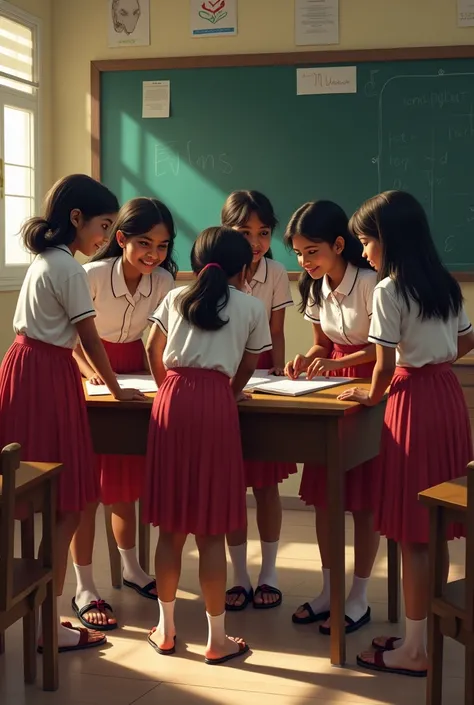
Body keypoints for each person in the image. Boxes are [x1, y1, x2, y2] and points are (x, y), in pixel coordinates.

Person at [0, 174, 145, 653]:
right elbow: (88, 337)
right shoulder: (67, 268)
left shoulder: (48, 261)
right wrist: (117, 388)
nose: (105, 238)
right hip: (43, 378)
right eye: (103, 226)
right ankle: (48, 621)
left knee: (47, 499)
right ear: (76, 219)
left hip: (31, 369)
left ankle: (48, 613)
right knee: (66, 503)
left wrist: (96, 378)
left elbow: (67, 339)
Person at [338, 190, 474, 677]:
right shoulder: (445, 283)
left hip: (412, 401)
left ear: (389, 240)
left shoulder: (388, 290)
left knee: (414, 534)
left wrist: (370, 397)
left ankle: (415, 652)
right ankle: (422, 636)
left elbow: (386, 362)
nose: (364, 252)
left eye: (366, 242)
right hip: (446, 397)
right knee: (432, 528)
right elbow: (465, 338)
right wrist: (436, 359)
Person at [144, 226, 272, 664]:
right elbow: (251, 363)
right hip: (217, 403)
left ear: (196, 265)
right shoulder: (252, 306)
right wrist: (229, 393)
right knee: (211, 528)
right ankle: (217, 640)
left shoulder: (175, 297)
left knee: (171, 528)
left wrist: (168, 389)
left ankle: (165, 630)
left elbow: (152, 348)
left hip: (172, 401)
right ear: (245, 268)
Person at [70, 197, 177, 630]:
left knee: (125, 481)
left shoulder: (166, 282)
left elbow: (160, 340)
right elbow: (73, 338)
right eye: (144, 244)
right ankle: (83, 585)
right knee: (86, 489)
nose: (154, 254)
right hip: (90, 377)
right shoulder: (91, 274)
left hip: (136, 375)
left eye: (163, 245)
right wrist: (94, 374)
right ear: (120, 240)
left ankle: (132, 570)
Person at [283, 200, 380, 635]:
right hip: (330, 392)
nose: (305, 262)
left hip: (369, 387)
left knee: (362, 499)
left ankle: (358, 595)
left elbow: (383, 351)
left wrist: (339, 364)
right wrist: (306, 358)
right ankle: (328, 590)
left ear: (340, 245)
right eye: (299, 253)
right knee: (324, 496)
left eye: (312, 252)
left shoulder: (372, 283)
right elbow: (323, 345)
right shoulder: (315, 286)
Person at [221, 190, 296, 611]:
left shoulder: (276, 272)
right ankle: (239, 574)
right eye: (244, 232)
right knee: (232, 482)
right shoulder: (214, 271)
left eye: (263, 233)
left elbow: (278, 330)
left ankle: (269, 571)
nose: (255, 242)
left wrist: (280, 372)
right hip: (225, 373)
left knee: (266, 481)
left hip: (263, 371)